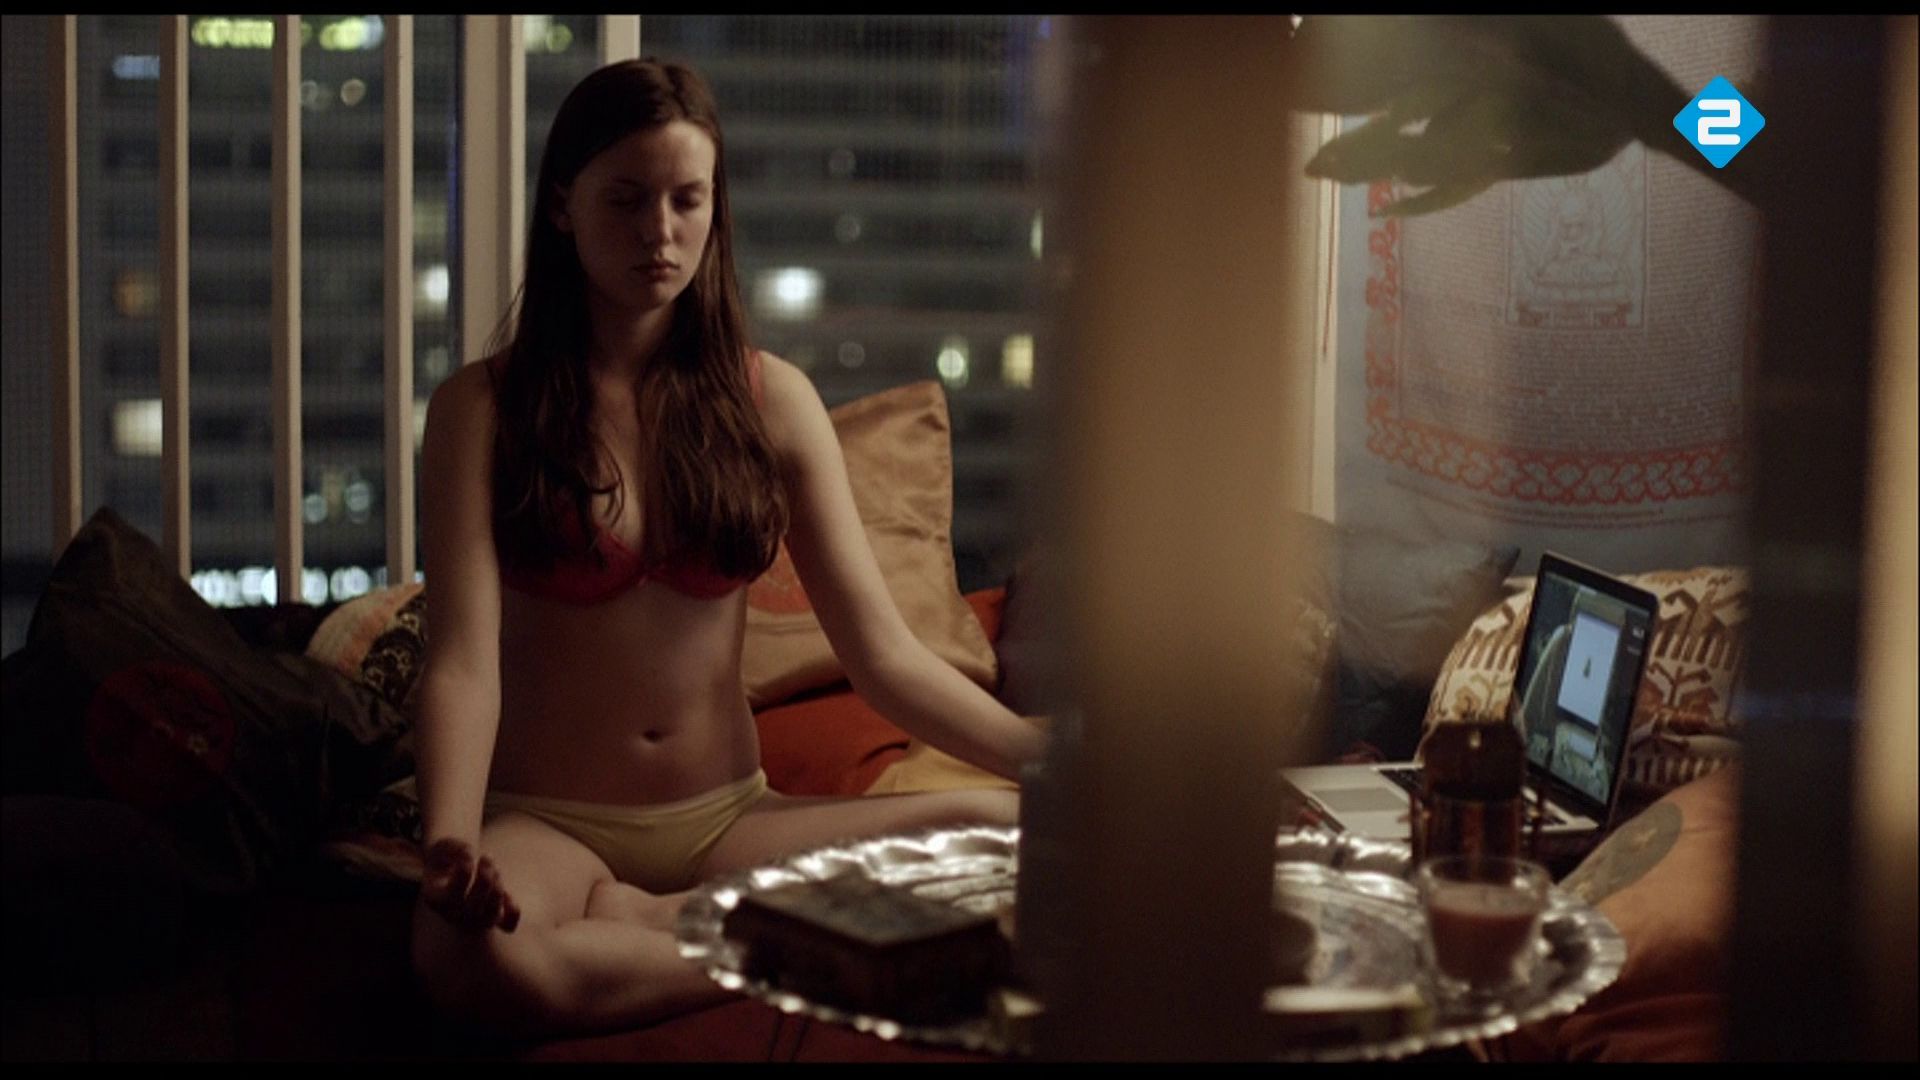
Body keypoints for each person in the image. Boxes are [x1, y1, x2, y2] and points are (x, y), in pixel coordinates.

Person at [409, 58, 1047, 1038]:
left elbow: (884, 658)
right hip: (551, 823)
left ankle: (662, 928)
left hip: (730, 819)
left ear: (715, 207)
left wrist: (1055, 766)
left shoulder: (773, 400)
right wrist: (451, 847)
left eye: (686, 199)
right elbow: (461, 665)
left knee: (1013, 836)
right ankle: (776, 936)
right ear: (562, 207)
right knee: (464, 959)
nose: (659, 232)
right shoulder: (480, 410)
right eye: (626, 199)